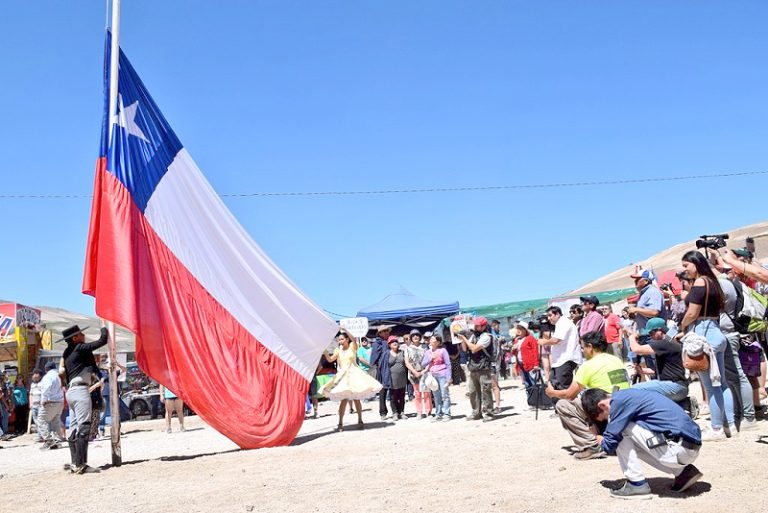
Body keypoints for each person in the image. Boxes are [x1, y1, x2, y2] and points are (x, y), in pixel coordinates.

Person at [583, 387, 703, 500]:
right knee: (628, 434)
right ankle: (684, 473)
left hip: (678, 448)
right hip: (687, 446)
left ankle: (636, 484)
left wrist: (598, 436)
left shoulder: (618, 403)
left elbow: (609, 445)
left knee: (620, 430)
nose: (605, 420)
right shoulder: (627, 395)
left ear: (602, 405)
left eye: (602, 417)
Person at [677, 250, 735, 441]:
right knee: (722, 383)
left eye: (686, 265)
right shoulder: (713, 281)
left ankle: (717, 428)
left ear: (696, 263)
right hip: (716, 331)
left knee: (710, 386)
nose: (684, 269)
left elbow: (692, 313)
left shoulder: (700, 283)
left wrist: (682, 325)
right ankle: (730, 425)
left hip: (702, 334)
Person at [545, 331, 629, 460]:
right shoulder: (616, 360)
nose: (582, 350)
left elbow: (569, 395)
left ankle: (591, 446)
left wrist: (553, 393)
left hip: (604, 405)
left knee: (563, 405)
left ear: (590, 347)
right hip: (624, 402)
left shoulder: (588, 366)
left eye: (583, 347)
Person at [61, 324, 109, 474]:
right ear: (75, 338)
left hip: (71, 391)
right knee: (84, 427)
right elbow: (101, 341)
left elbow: (89, 364)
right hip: (81, 390)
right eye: (81, 334)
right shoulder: (79, 348)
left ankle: (75, 462)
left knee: (74, 428)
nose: (83, 336)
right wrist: (103, 328)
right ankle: (82, 464)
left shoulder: (67, 352)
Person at [320, 330, 382, 431]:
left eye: (342, 339)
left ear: (347, 339)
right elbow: (330, 360)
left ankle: (360, 420)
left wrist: (346, 330)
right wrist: (326, 353)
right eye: (339, 339)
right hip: (344, 376)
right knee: (343, 400)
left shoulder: (352, 346)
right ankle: (340, 423)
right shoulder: (338, 350)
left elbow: (354, 339)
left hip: (354, 373)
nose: (340, 341)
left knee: (356, 398)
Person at [628, 318, 689, 405]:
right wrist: (642, 371)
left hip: (676, 387)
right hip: (676, 386)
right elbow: (662, 371)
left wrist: (631, 337)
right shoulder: (669, 341)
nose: (650, 336)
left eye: (651, 333)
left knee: (635, 389)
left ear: (660, 331)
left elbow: (636, 349)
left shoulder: (665, 343)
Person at [457, 316, 495, 421]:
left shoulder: (486, 336)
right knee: (473, 391)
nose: (475, 326)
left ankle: (489, 413)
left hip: (483, 367)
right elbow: (465, 349)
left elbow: (473, 349)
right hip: (473, 366)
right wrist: (463, 339)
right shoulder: (474, 336)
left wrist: (464, 338)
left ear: (483, 326)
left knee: (485, 390)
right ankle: (476, 412)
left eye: (478, 325)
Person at [538, 306, 583, 394]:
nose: (548, 318)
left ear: (557, 314)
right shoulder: (561, 323)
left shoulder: (563, 323)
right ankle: (560, 406)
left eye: (550, 315)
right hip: (560, 361)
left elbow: (556, 340)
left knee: (562, 387)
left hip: (566, 360)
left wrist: (544, 342)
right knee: (553, 386)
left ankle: (567, 406)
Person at [421, 335, 452, 421]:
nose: (431, 341)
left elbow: (448, 364)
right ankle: (438, 413)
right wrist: (431, 358)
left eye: (433, 339)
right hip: (433, 375)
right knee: (436, 395)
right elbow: (423, 363)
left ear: (438, 342)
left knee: (445, 394)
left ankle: (447, 414)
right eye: (430, 339)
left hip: (442, 374)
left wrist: (449, 377)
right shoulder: (428, 352)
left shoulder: (443, 351)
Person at [404, 330, 432, 419]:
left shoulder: (425, 347)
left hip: (425, 372)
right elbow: (407, 362)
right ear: (411, 338)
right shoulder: (407, 349)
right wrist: (415, 372)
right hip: (414, 374)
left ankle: (428, 412)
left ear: (420, 337)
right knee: (417, 394)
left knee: (427, 393)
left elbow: (429, 360)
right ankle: (419, 412)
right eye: (413, 335)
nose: (415, 337)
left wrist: (424, 371)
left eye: (417, 335)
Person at [38, 361, 65, 449]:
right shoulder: (59, 376)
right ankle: (57, 441)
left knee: (41, 419)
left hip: (51, 402)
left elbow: (46, 388)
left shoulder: (48, 376)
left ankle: (48, 440)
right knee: (56, 421)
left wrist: (43, 400)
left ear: (46, 369)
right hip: (60, 401)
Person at [369, 326, 393, 420]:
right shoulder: (377, 343)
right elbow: (373, 358)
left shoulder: (390, 342)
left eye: (387, 331)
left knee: (393, 391)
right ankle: (383, 412)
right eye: (384, 331)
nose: (386, 332)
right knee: (383, 391)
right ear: (379, 333)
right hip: (382, 370)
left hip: (391, 368)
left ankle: (396, 411)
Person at [386, 336, 408, 420]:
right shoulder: (387, 353)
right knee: (393, 397)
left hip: (402, 378)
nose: (395, 343)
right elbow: (384, 366)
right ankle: (395, 412)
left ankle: (401, 412)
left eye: (396, 341)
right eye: (392, 342)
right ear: (389, 345)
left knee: (402, 396)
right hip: (392, 379)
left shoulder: (402, 352)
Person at [514, 322, 539, 391]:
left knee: (533, 382)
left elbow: (535, 351)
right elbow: (515, 353)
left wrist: (536, 364)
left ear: (525, 330)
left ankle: (536, 398)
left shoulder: (530, 338)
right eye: (518, 328)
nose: (518, 330)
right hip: (521, 364)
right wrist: (513, 349)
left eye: (521, 329)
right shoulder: (517, 340)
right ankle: (530, 398)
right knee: (526, 383)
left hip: (530, 364)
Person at [29, 368, 44, 440]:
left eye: (34, 374)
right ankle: (40, 435)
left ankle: (43, 435)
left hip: (41, 405)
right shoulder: (32, 384)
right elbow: (31, 394)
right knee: (36, 421)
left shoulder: (43, 383)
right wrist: (30, 404)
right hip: (34, 405)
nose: (33, 375)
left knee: (42, 421)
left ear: (38, 375)